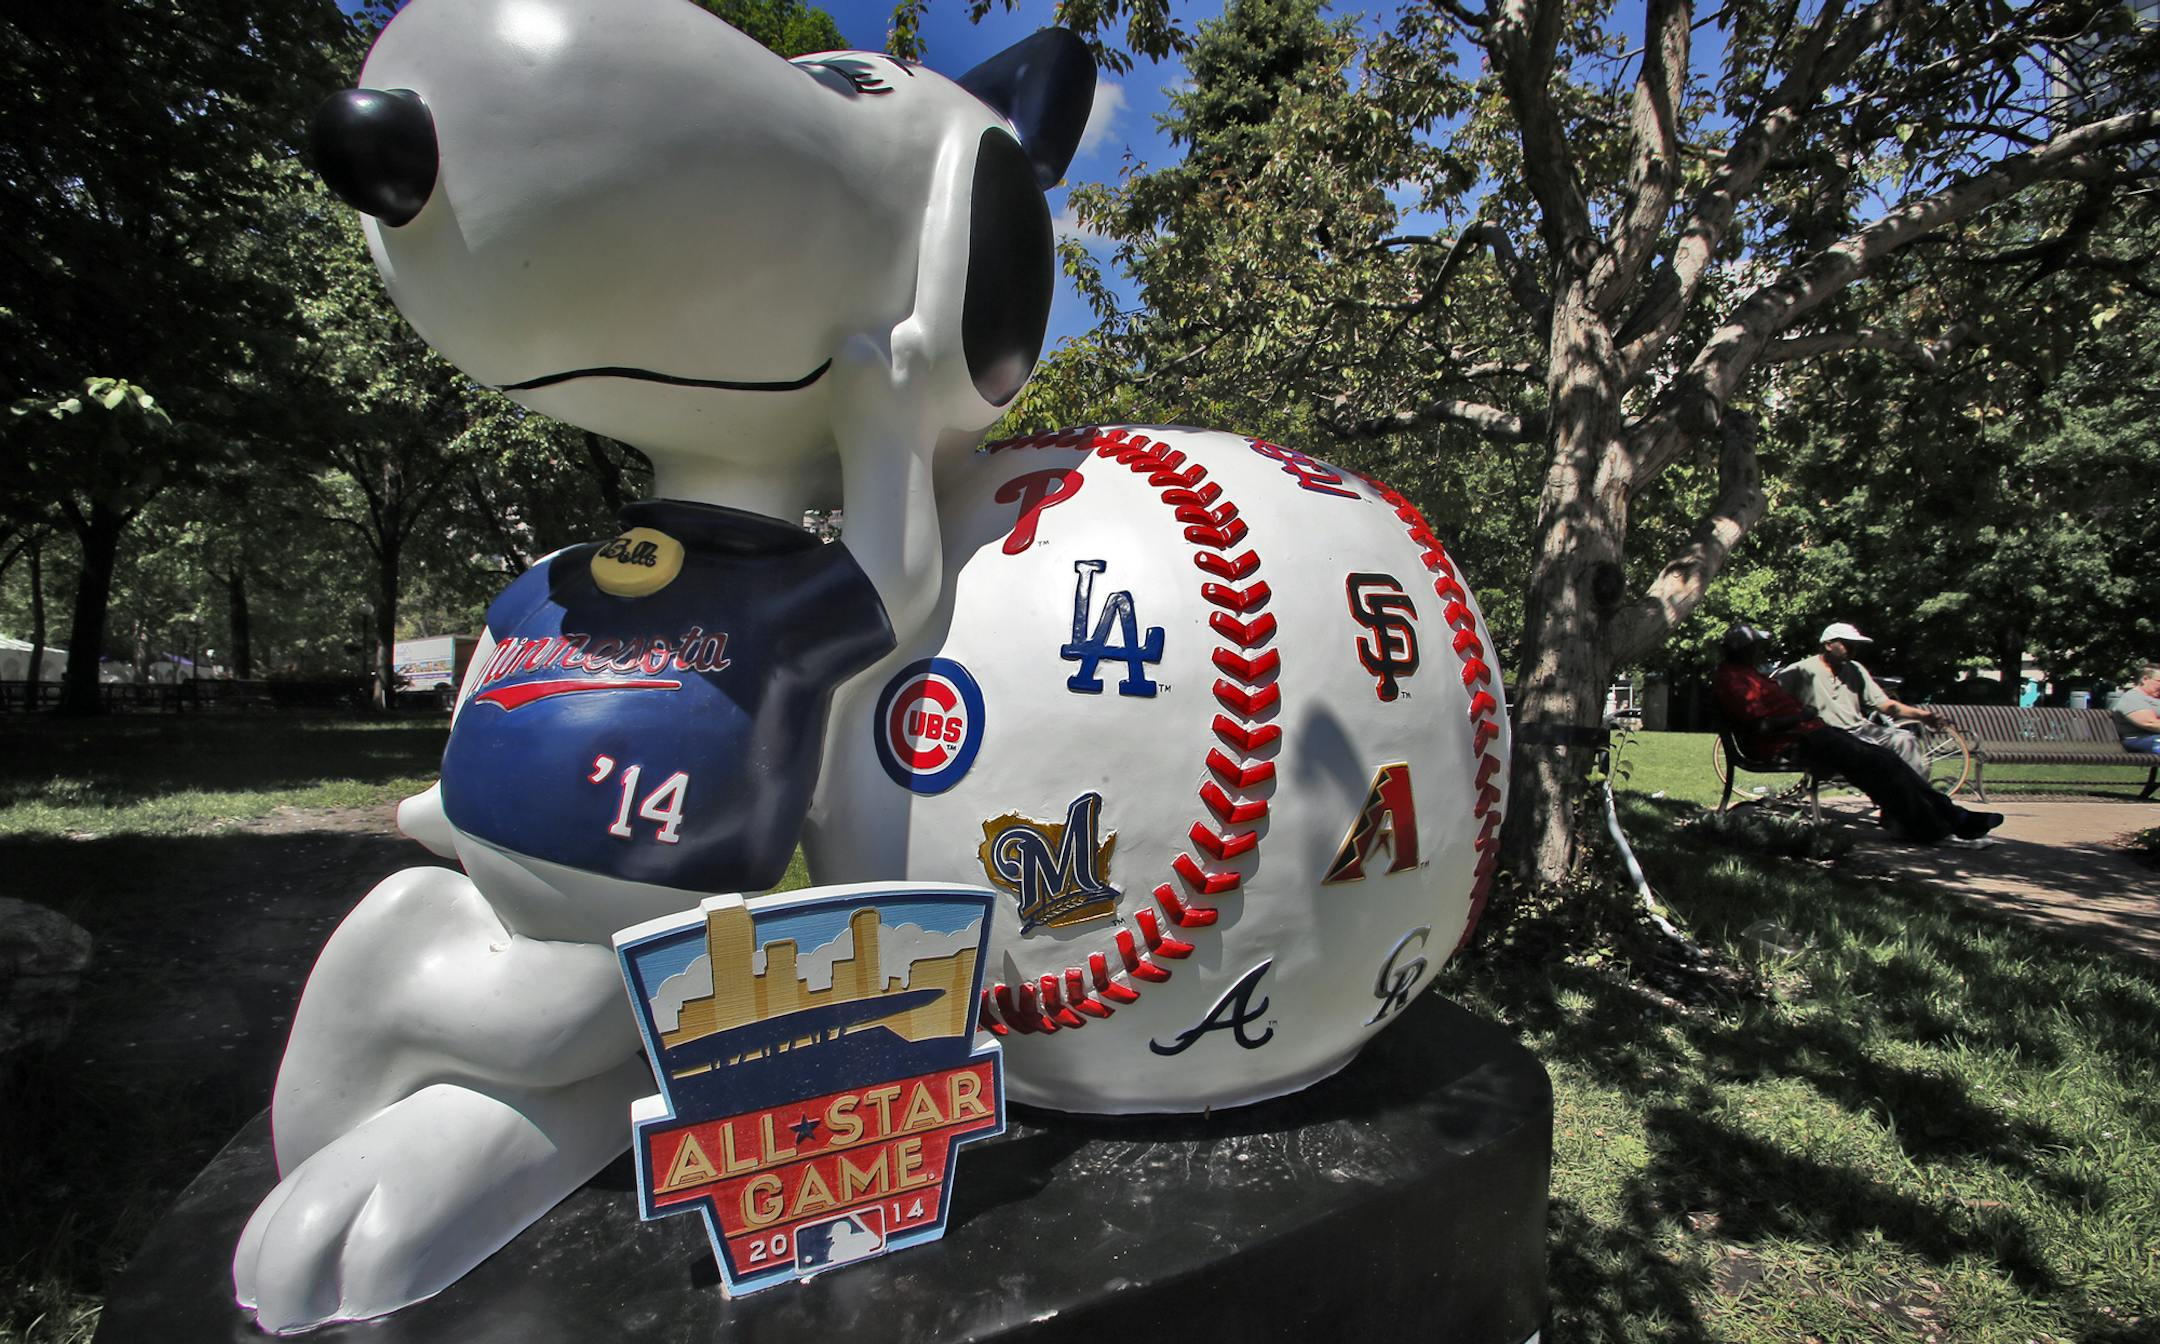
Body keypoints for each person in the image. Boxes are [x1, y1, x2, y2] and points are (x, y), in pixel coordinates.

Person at [1715, 625, 2004, 844]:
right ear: (1745, 649)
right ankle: (1938, 824)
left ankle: (1948, 816)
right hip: (1796, 742)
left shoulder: (1749, 674)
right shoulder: (1734, 680)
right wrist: (1801, 716)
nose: (1762, 651)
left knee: (1887, 759)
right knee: (1878, 764)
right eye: (1758, 646)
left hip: (1811, 736)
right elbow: (1760, 727)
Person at [1777, 621, 1941, 777]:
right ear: (1828, 645)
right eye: (1846, 644)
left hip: (1860, 730)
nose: (1852, 649)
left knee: (1905, 740)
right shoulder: (1800, 670)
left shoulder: (1856, 669)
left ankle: (1919, 796)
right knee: (1871, 753)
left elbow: (1884, 704)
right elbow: (1774, 701)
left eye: (1854, 645)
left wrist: (1922, 715)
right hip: (1829, 735)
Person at [2115, 663, 2160, 756]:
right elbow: (2150, 723)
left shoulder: (2156, 699)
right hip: (2139, 740)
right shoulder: (2133, 698)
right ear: (2145, 679)